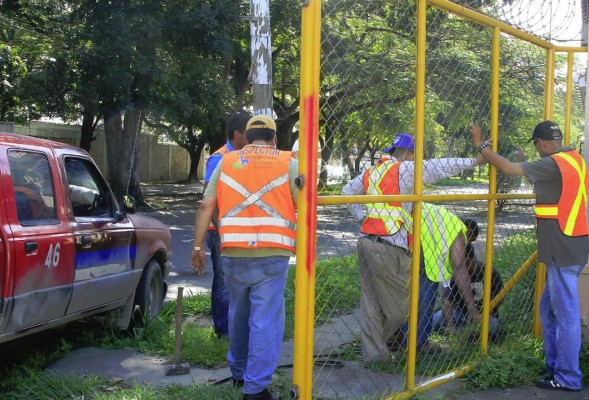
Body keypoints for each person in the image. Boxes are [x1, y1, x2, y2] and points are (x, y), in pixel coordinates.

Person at [342, 133, 487, 362]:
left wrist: (365, 217)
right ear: (410, 155)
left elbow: (346, 192)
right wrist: (474, 161)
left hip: (366, 241)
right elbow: (437, 167)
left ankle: (375, 356)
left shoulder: (372, 171)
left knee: (371, 302)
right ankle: (390, 341)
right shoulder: (404, 170)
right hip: (389, 244)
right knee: (405, 303)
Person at [471, 120, 588, 392]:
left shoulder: (553, 163)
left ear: (542, 143)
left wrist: (481, 146)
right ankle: (554, 367)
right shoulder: (574, 160)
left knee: (565, 313)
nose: (536, 151)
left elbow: (508, 169)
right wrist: (527, 167)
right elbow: (550, 186)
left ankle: (568, 377)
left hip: (562, 247)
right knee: (548, 309)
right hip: (575, 244)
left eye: (535, 146)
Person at [191, 115, 297, 400]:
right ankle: (256, 388)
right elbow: (304, 202)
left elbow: (205, 205)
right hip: (272, 253)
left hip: (233, 251)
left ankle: (238, 373)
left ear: (247, 137)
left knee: (238, 312)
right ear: (274, 138)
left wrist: (198, 247)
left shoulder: (226, 161)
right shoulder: (288, 161)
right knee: (265, 319)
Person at [203, 112, 251, 338]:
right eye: (247, 132)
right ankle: (222, 331)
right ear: (236, 134)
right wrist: (222, 230)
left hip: (238, 232)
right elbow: (210, 201)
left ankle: (236, 330)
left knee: (237, 283)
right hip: (221, 232)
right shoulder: (219, 158)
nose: (251, 137)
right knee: (222, 282)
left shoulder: (245, 157)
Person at [432, 242, 504, 340]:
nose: (469, 267)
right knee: (434, 320)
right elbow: (446, 303)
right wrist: (451, 326)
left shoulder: (489, 272)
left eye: (469, 263)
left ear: (474, 257)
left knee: (494, 326)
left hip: (484, 314)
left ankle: (470, 332)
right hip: (460, 312)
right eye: (463, 265)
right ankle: (464, 331)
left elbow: (500, 298)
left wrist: (484, 312)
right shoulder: (454, 275)